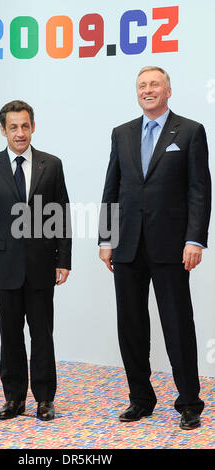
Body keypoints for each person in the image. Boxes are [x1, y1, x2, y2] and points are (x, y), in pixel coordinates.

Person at [99, 66, 211, 430]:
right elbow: (111, 190)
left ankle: (190, 402)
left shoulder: (191, 131)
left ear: (168, 91)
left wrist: (194, 239)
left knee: (178, 324)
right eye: (142, 85)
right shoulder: (121, 133)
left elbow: (199, 190)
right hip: (127, 246)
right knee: (130, 325)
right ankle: (141, 399)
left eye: (154, 85)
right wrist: (106, 239)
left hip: (171, 246)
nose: (148, 90)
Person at [0, 100, 71, 421]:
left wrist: (64, 259)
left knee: (42, 334)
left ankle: (45, 399)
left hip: (42, 265)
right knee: (10, 334)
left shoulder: (51, 164)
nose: (20, 133)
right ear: (3, 130)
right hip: (3, 267)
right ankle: (13, 399)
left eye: (25, 126)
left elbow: (62, 215)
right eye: (13, 127)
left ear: (33, 127)